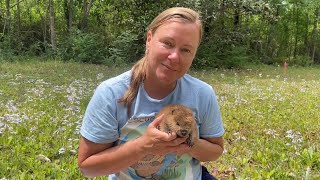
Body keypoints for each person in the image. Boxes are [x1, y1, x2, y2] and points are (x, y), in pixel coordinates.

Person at [78, 7, 225, 180]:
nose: (174, 56)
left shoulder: (202, 93)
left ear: (194, 55)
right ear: (149, 40)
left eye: (186, 50)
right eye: (168, 43)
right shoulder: (111, 93)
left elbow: (215, 151)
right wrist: (143, 146)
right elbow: (88, 167)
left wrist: (188, 144)